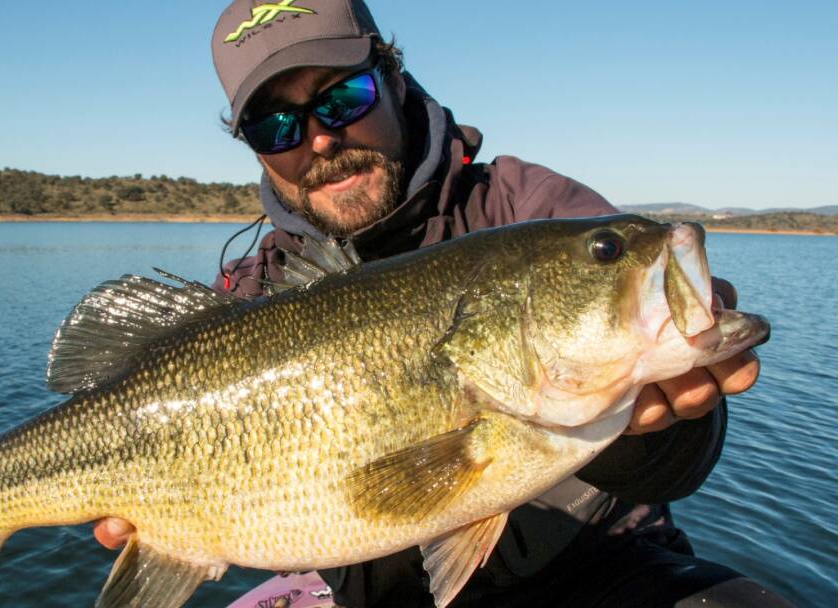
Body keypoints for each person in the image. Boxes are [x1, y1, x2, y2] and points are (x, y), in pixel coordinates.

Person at [95, 1, 788, 605]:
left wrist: (656, 427)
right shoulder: (250, 293)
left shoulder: (531, 212)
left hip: (594, 569)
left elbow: (683, 460)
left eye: (343, 98)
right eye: (276, 127)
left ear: (394, 78)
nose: (321, 139)